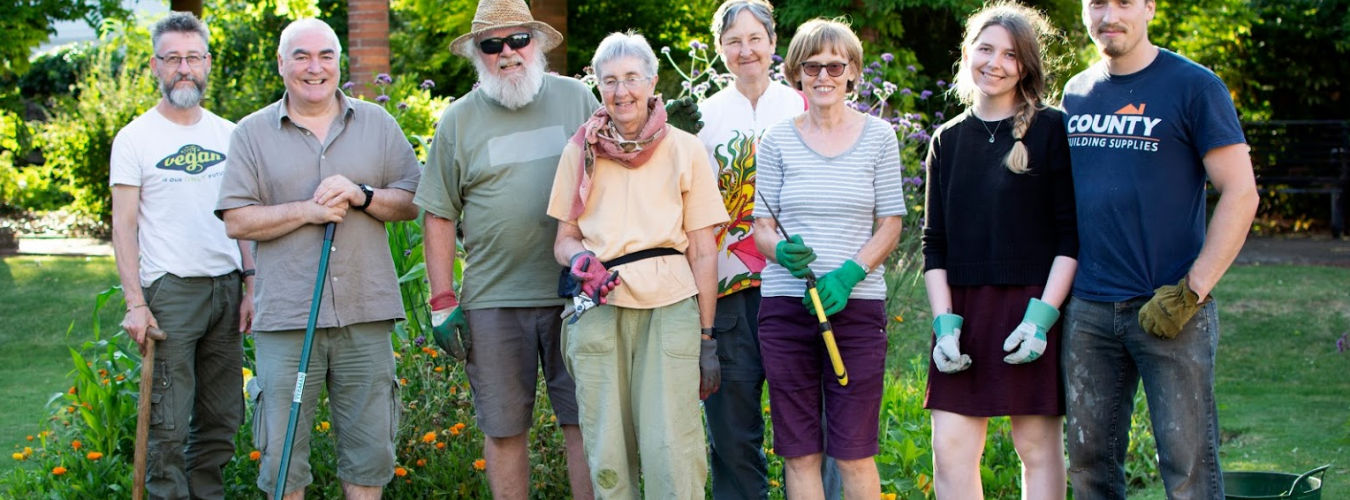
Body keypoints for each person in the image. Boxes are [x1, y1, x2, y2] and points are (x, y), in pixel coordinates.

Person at [215, 18, 421, 499]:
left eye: (325, 55)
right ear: (282, 64)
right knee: (283, 461)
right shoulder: (251, 134)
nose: (315, 67)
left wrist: (361, 193)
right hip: (287, 319)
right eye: (302, 56)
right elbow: (237, 220)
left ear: (338, 61)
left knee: (369, 458)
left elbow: (413, 199)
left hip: (364, 313)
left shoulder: (378, 124)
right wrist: (309, 211)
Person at [1061, 0, 1258, 497]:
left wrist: (1192, 289)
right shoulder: (1077, 92)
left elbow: (1241, 192)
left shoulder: (1194, 86)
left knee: (1187, 466)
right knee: (1088, 465)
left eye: (1125, 1)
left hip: (1172, 307)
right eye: (1096, 3)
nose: (1109, 15)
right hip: (1088, 310)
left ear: (1149, 7)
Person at [414, 0, 599, 497]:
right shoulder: (457, 121)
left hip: (576, 296)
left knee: (585, 423)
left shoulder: (578, 100)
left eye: (518, 40)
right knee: (503, 428)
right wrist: (441, 300)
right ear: (479, 54)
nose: (507, 53)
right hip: (493, 301)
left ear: (536, 44)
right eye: (492, 45)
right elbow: (438, 214)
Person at [545, 31, 728, 499]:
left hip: (670, 307)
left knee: (673, 449)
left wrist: (707, 338)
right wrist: (581, 258)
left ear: (651, 82)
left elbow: (704, 250)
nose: (621, 91)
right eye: (609, 81)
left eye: (631, 78)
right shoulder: (579, 150)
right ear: (597, 86)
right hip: (598, 305)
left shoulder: (685, 148)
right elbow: (563, 241)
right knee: (607, 451)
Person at [920, 3, 1077, 498]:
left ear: (1026, 64)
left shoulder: (1052, 129)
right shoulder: (946, 139)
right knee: (950, 451)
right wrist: (944, 325)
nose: (995, 62)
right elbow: (934, 244)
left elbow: (1070, 239)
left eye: (1010, 54)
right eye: (985, 49)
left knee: (1037, 449)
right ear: (967, 53)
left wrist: (1042, 320)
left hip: (1032, 306)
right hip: (962, 314)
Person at [751, 18, 905, 499]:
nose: (823, 76)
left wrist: (851, 272)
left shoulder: (880, 137)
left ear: (853, 71)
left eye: (835, 66)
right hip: (787, 308)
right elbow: (762, 229)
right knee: (799, 453)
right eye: (811, 66)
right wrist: (782, 252)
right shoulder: (776, 139)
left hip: (856, 310)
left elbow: (891, 224)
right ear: (796, 73)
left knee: (855, 452)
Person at [110, 11, 253, 499]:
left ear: (208, 63)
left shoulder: (230, 135)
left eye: (193, 57)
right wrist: (135, 302)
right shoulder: (135, 138)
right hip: (170, 292)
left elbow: (244, 217)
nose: (184, 67)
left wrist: (251, 285)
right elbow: (124, 225)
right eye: (173, 58)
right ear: (155, 65)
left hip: (227, 289)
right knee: (168, 422)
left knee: (221, 417)